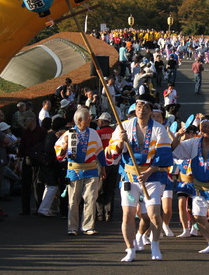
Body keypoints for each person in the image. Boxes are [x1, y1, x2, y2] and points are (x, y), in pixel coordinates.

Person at [107, 97, 173, 262]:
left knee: (153, 214)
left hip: (152, 177)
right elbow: (111, 153)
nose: (141, 109)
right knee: (128, 214)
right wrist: (121, 142)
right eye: (138, 106)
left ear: (151, 110)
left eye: (145, 107)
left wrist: (149, 172)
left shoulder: (159, 129)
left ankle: (155, 245)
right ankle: (130, 249)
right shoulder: (124, 127)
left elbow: (164, 157)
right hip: (130, 177)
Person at [172, 115, 209, 254]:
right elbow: (175, 149)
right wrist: (178, 136)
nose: (206, 129)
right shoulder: (193, 143)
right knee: (198, 217)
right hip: (199, 188)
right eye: (204, 126)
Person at [55, 106, 106, 236]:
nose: (90, 119)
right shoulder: (69, 134)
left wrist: (103, 167)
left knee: (90, 198)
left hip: (91, 170)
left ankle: (88, 226)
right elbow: (59, 156)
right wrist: (66, 144)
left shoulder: (94, 133)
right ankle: (72, 227)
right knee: (73, 200)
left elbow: (100, 152)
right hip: (74, 171)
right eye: (88, 118)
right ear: (79, 120)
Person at [18, 111, 47, 216]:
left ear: (31, 120)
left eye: (25, 120)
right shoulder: (26, 132)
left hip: (37, 161)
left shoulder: (42, 132)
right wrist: (19, 161)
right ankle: (25, 208)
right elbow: (22, 147)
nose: (24, 123)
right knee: (25, 185)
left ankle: (39, 207)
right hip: (27, 160)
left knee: (37, 185)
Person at [95, 112, 117, 222]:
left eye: (99, 121)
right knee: (110, 189)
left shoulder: (97, 133)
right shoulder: (114, 132)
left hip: (101, 163)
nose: (98, 122)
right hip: (114, 163)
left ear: (102, 121)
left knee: (99, 189)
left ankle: (99, 214)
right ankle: (109, 214)